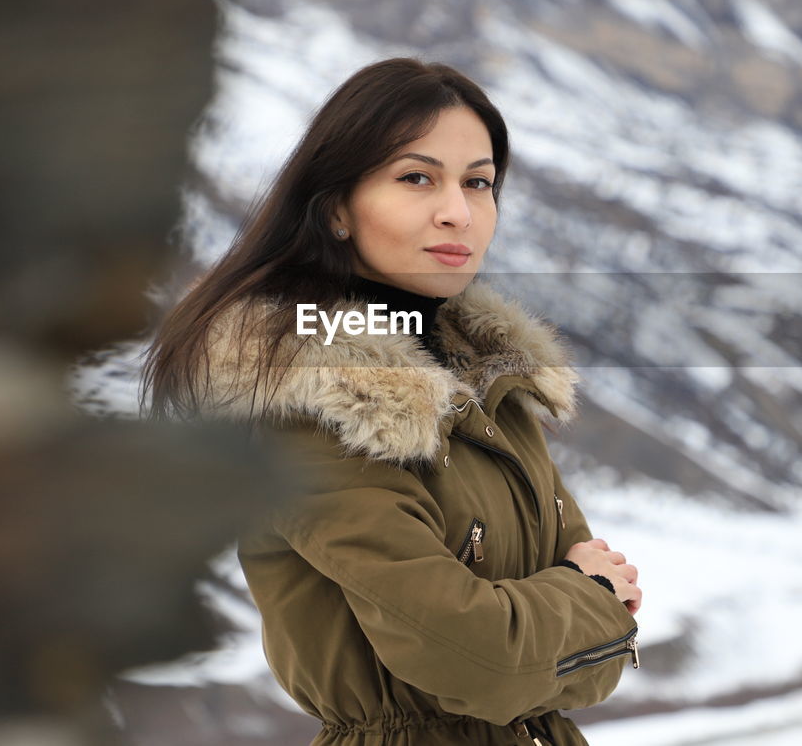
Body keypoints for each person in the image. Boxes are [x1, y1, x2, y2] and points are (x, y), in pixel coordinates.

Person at [141, 57, 642, 745]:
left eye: (479, 182)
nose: (457, 211)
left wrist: (568, 621)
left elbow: (594, 658)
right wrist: (587, 601)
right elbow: (486, 660)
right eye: (417, 178)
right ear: (338, 207)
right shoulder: (315, 396)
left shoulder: (491, 381)